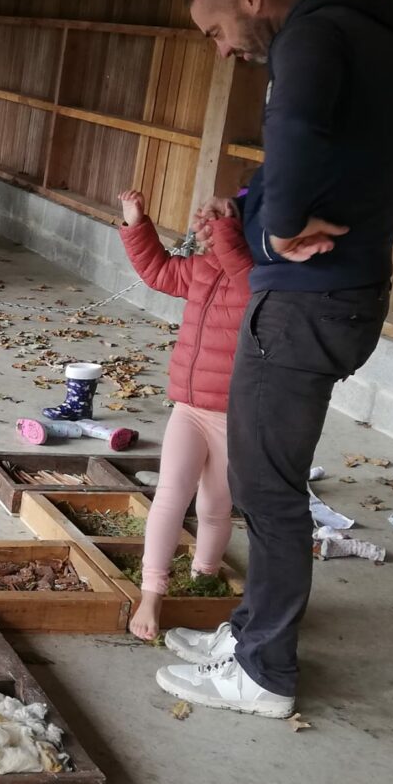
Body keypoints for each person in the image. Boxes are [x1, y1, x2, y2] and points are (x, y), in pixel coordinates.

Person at [156, 0, 393, 717]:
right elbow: (308, 158)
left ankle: (264, 672)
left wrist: (274, 230)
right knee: (259, 479)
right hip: (332, 298)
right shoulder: (363, 36)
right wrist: (248, 209)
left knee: (266, 491)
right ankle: (247, 635)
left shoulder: (310, 36)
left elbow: (297, 132)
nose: (221, 51)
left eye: (215, 31)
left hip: (308, 303)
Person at [114, 188, 253, 641]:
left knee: (216, 506)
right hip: (189, 408)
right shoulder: (204, 268)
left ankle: (205, 575)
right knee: (171, 496)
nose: (206, 235)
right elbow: (157, 271)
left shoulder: (260, 277)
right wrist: (137, 223)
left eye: (216, 229)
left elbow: (249, 285)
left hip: (235, 415)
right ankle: (152, 593)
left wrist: (226, 230)